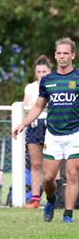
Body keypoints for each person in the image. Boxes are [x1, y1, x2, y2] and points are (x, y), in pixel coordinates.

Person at [13, 37, 79, 223]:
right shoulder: (48, 81)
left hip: (75, 133)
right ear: (55, 55)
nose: (62, 56)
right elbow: (38, 107)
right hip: (54, 134)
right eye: (59, 53)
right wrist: (22, 124)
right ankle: (51, 199)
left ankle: (67, 214)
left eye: (66, 53)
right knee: (49, 177)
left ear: (72, 55)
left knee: (73, 173)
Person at [23, 55, 52, 208]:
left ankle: (53, 197)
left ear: (50, 71)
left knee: (51, 164)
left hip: (50, 125)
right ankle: (35, 198)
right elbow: (27, 105)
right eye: (39, 71)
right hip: (34, 126)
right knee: (35, 164)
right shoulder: (30, 87)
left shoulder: (54, 84)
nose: (41, 74)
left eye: (44, 71)